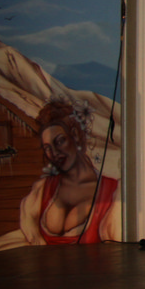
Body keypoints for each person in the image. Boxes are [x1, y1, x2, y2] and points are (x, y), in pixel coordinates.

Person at [19, 101, 120, 245]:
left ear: (75, 136)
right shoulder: (40, 192)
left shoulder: (112, 191)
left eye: (60, 141)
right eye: (47, 148)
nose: (54, 153)